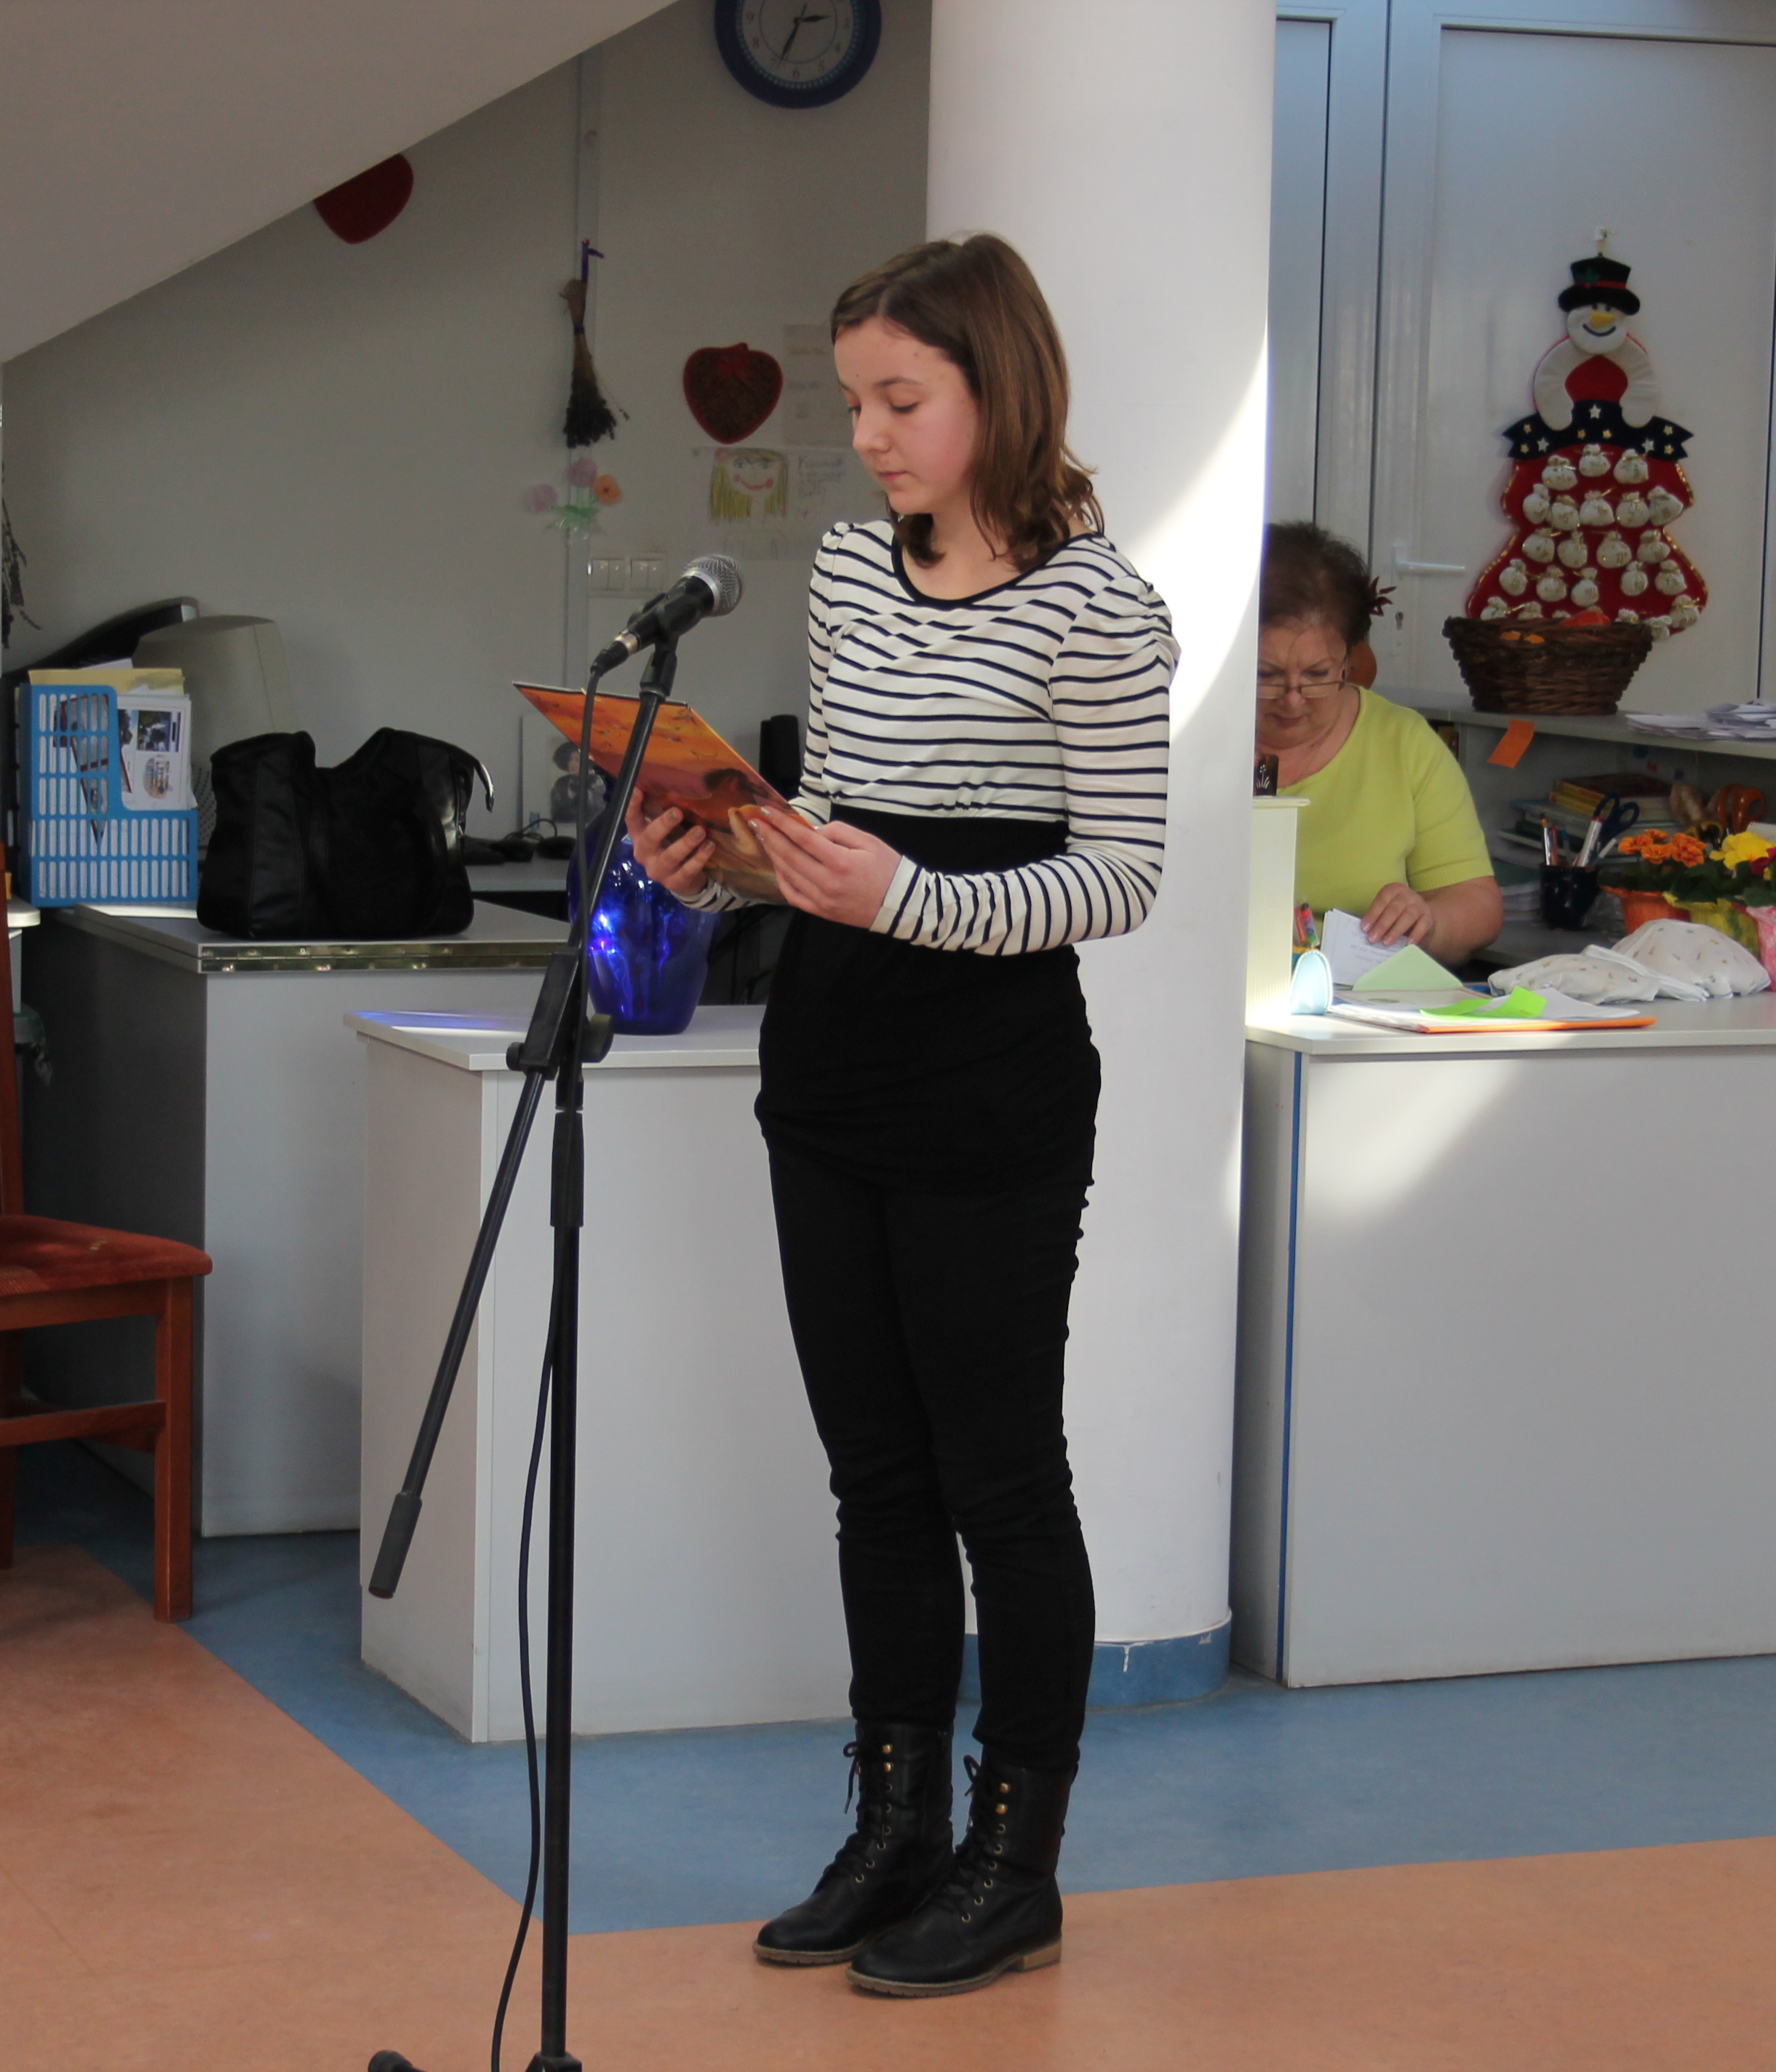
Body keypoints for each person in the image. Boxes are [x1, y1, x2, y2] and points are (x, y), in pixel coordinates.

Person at [629, 234, 1173, 2000]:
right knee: (874, 1475)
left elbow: (1123, 876)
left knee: (998, 1478)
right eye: (855, 397)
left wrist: (909, 899)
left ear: (996, 391)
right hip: (830, 1064)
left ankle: (1016, 1859)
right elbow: (833, 843)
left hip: (991, 1084)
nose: (864, 433)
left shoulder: (1103, 607)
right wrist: (717, 862)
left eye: (898, 398)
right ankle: (893, 1828)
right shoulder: (855, 569)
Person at [1257, 522, 1501, 958]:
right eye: (1266, 675)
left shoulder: (1401, 743)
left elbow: (1477, 904)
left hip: (1358, 992)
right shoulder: (1174, 739)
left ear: (1350, 659)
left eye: (1318, 674)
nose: (1293, 699)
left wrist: (1428, 921)